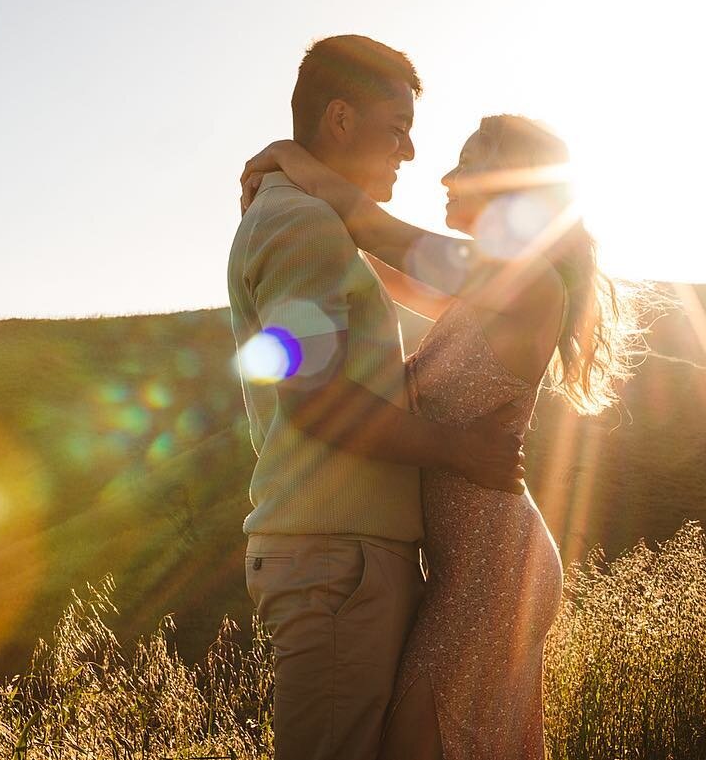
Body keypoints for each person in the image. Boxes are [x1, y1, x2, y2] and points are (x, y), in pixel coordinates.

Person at [240, 113, 640, 759]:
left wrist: (291, 155)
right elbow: (378, 259)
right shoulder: (482, 292)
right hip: (471, 563)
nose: (446, 176)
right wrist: (300, 198)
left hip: (492, 565)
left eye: (466, 161)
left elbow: (379, 232)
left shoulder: (526, 282)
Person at [226, 35, 528, 760]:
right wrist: (461, 449)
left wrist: (302, 169)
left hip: (350, 560)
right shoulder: (301, 223)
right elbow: (317, 400)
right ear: (339, 118)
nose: (412, 153)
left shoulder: (317, 220)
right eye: (397, 129)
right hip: (336, 563)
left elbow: (445, 275)